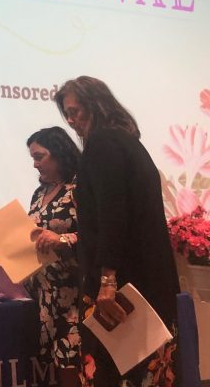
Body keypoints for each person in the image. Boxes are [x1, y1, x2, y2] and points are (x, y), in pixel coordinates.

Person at [55, 76, 180, 387]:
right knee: (148, 370)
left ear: (95, 105)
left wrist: (107, 281)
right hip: (146, 279)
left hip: (123, 285)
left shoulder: (102, 144)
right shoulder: (126, 142)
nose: (71, 121)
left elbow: (112, 214)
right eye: (66, 114)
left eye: (75, 111)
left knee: (112, 371)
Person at [24, 126, 81, 387]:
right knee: (55, 368)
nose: (35, 164)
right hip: (45, 295)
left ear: (59, 152)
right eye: (33, 158)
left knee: (72, 365)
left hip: (73, 295)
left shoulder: (79, 188)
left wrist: (63, 239)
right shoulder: (39, 194)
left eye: (39, 157)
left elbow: (98, 234)